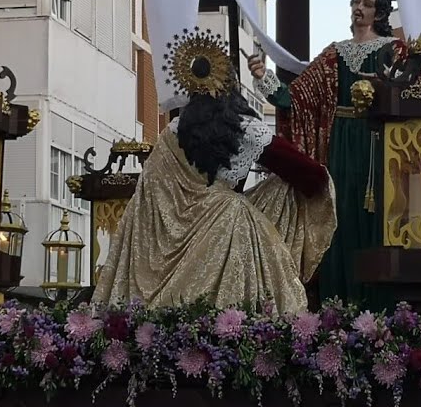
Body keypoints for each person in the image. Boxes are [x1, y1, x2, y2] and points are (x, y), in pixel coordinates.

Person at [96, 29, 336, 314]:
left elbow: (146, 203)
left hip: (168, 256)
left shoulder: (171, 134)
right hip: (229, 231)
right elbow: (310, 176)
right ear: (231, 84)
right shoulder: (245, 129)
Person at [249, 0, 398, 305]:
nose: (359, 8)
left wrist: (389, 93)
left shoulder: (396, 52)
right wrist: (263, 78)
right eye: (356, 1)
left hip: (381, 145)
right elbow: (295, 98)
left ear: (380, 12)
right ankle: (337, 306)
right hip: (341, 144)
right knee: (337, 216)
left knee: (380, 219)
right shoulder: (335, 55)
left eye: (367, 4)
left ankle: (382, 309)